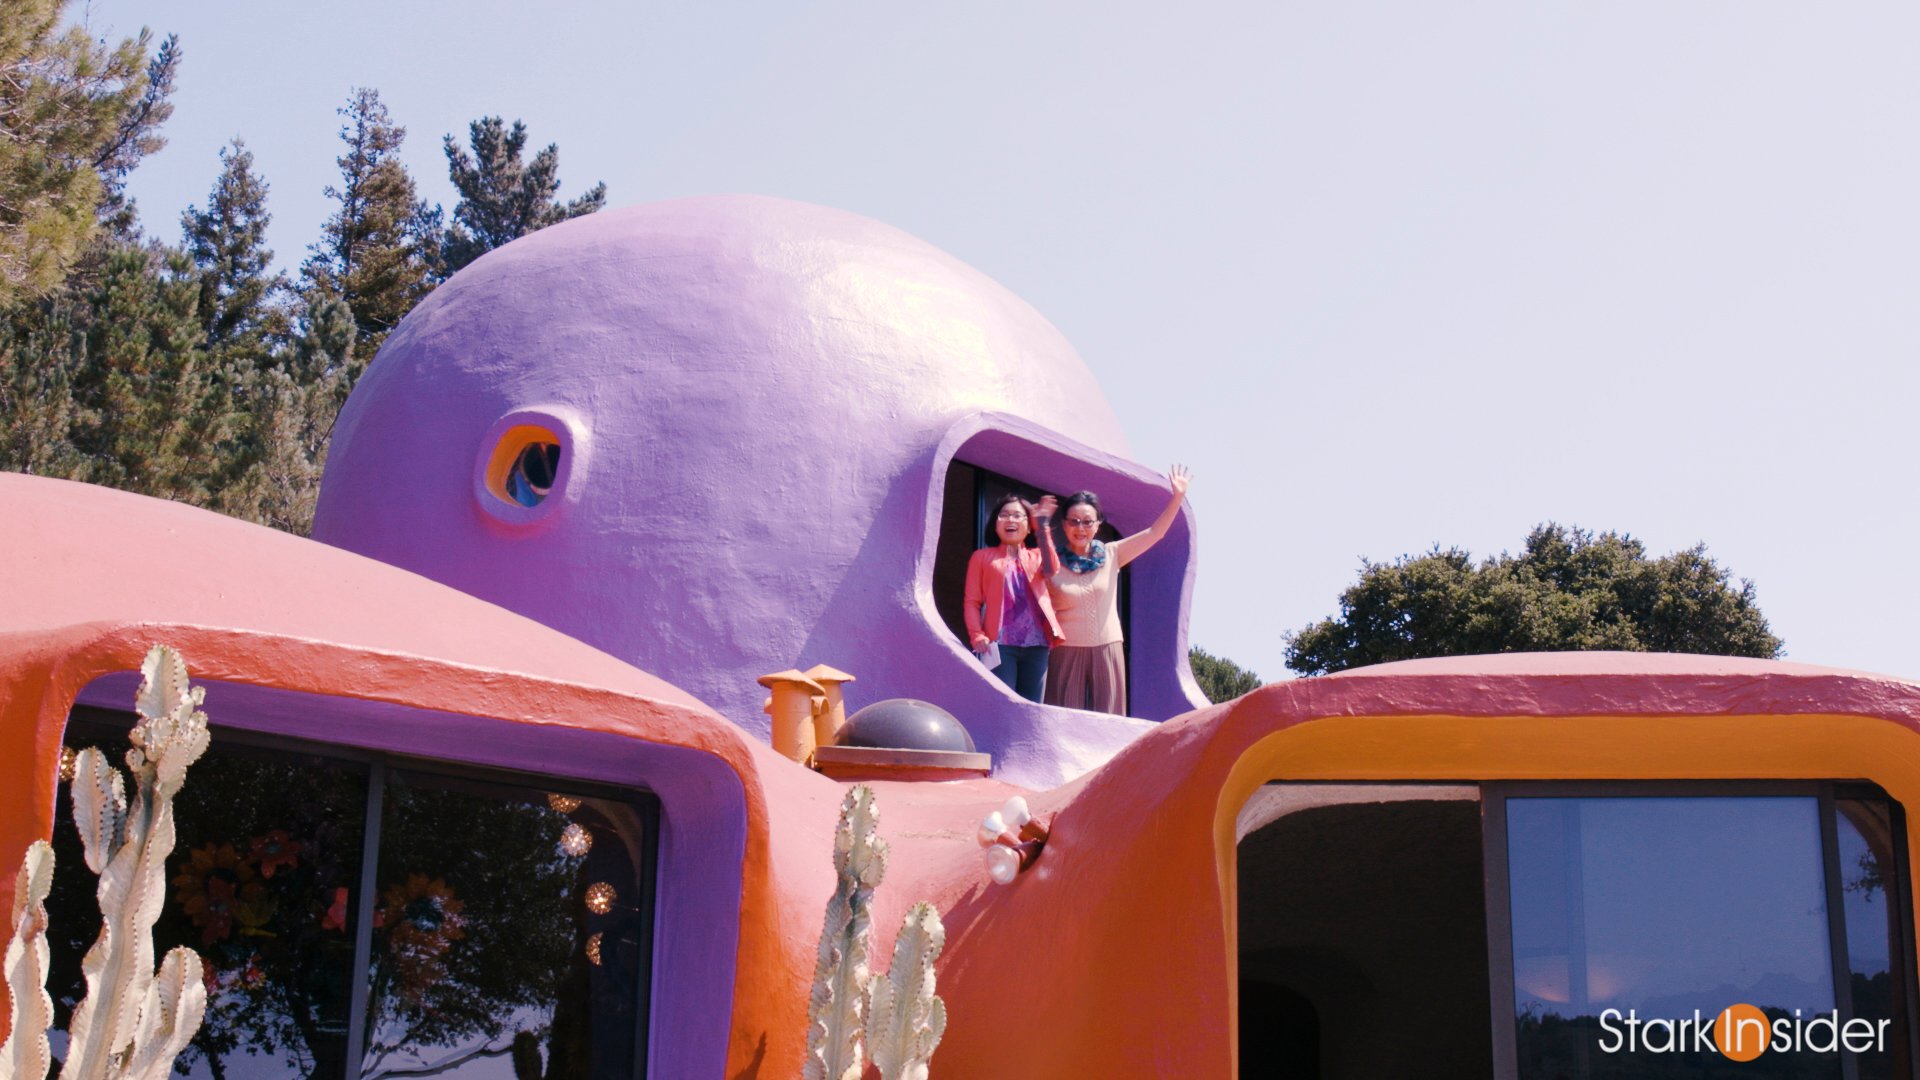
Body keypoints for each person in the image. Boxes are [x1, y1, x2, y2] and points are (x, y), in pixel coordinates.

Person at [1036, 465, 1192, 715]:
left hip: (1108, 648)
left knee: (1109, 719)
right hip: (1065, 651)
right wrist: (1040, 523)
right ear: (1064, 525)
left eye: (1088, 521)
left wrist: (1177, 497)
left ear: (1097, 525)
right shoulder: (1052, 561)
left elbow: (1155, 533)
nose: (1081, 528)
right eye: (1074, 521)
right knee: (1064, 719)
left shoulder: (1112, 553)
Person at [963, 493, 1064, 701]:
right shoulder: (982, 557)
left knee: (1032, 706)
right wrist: (976, 634)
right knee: (1002, 702)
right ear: (995, 524)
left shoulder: (1036, 555)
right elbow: (972, 601)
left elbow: (1053, 567)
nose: (1010, 520)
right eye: (1004, 515)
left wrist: (1043, 526)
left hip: (1037, 644)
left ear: (1028, 526)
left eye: (1018, 516)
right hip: (1000, 645)